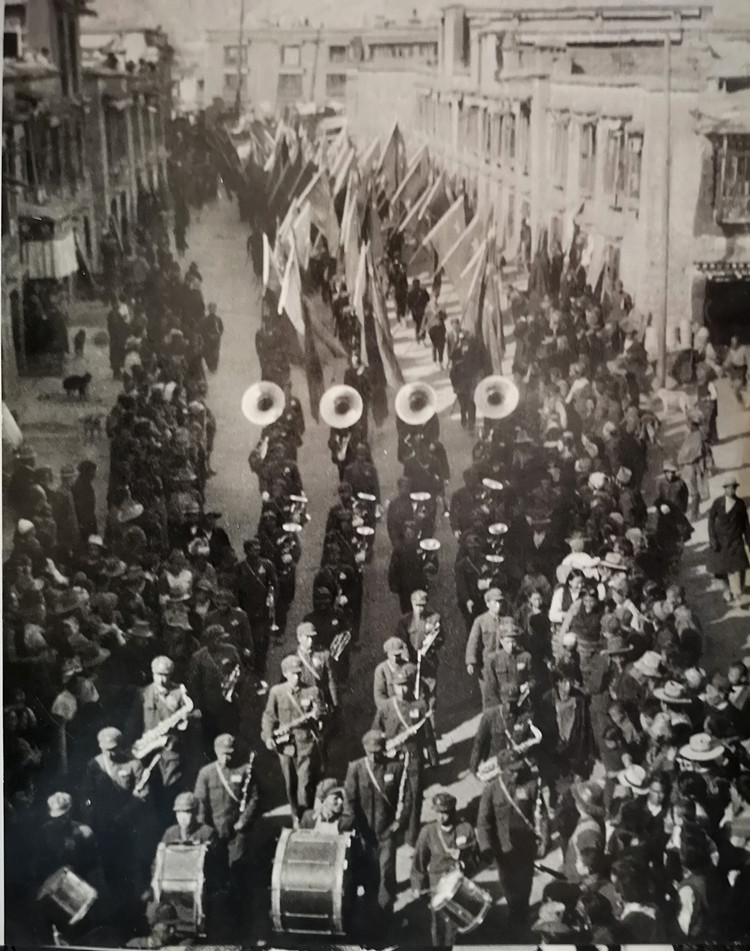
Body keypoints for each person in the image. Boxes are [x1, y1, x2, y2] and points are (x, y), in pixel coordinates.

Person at [343, 730, 406, 916]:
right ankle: (370, 914)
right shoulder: (356, 768)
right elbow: (350, 800)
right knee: (367, 875)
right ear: (364, 749)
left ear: (384, 749)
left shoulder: (395, 768)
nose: (374, 756)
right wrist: (353, 823)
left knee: (386, 876)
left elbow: (406, 799)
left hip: (386, 833)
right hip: (364, 834)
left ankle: (385, 917)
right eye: (370, 752)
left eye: (377, 752)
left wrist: (398, 823)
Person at [476, 749, 538, 932]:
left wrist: (545, 838)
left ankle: (522, 913)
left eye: (519, 769)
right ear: (502, 769)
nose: (516, 774)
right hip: (504, 848)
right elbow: (483, 822)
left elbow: (539, 813)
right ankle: (514, 914)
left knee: (526, 882)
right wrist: (485, 847)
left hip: (526, 845)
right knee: (509, 884)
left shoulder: (530, 785)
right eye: (512, 770)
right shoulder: (492, 789)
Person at [260, 654, 326, 826]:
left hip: (306, 743)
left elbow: (322, 715)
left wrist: (318, 716)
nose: (297, 677)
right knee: (290, 783)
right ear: (285, 674)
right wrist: (268, 736)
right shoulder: (277, 692)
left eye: (299, 673)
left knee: (305, 782)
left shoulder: (312, 691)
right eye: (293, 673)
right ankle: (295, 813)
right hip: (285, 745)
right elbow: (269, 716)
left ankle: (305, 817)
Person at [410, 792, 480, 945]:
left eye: (445, 812)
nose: (441, 816)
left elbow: (476, 858)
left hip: (458, 883)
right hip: (437, 883)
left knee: (454, 924)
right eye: (438, 812)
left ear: (453, 811)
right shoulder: (428, 832)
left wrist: (463, 862)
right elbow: (418, 862)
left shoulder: (464, 829)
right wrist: (416, 885)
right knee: (438, 925)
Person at [372, 663, 429, 848]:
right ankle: (387, 834)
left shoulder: (420, 705)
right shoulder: (386, 707)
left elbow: (426, 735)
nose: (402, 690)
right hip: (392, 758)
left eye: (405, 685)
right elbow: (376, 731)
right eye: (398, 686)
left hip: (413, 756)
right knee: (389, 795)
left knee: (415, 795)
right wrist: (381, 750)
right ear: (393, 687)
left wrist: (429, 757)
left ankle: (412, 835)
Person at [193, 733, 260, 877]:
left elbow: (254, 799)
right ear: (216, 751)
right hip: (214, 829)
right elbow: (200, 802)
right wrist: (204, 827)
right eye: (223, 754)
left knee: (237, 867)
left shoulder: (245, 771)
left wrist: (243, 821)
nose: (226, 758)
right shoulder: (206, 773)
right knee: (214, 869)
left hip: (237, 829)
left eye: (229, 754)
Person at [707, 474, 750, 607]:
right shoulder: (718, 503)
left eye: (733, 488)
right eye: (729, 487)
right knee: (721, 571)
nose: (731, 490)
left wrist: (749, 541)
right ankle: (728, 591)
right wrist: (712, 539)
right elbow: (711, 521)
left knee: (739, 568)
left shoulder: (740, 504)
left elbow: (745, 525)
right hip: (720, 543)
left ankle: (738, 595)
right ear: (724, 488)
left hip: (736, 542)